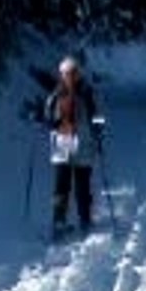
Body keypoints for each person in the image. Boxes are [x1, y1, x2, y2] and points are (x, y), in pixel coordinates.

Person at [44, 56, 102, 239]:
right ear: (79, 73)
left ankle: (58, 221)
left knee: (61, 185)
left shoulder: (56, 93)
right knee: (82, 184)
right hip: (83, 143)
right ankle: (85, 220)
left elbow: (47, 118)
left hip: (62, 143)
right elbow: (98, 116)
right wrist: (99, 134)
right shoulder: (88, 92)